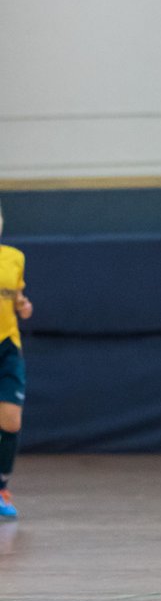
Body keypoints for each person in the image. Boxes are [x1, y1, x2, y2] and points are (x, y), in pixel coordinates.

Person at [0, 202, 32, 520]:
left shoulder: (14, 257)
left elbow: (17, 297)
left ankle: (2, 487)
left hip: (8, 348)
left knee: (11, 421)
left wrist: (23, 305)